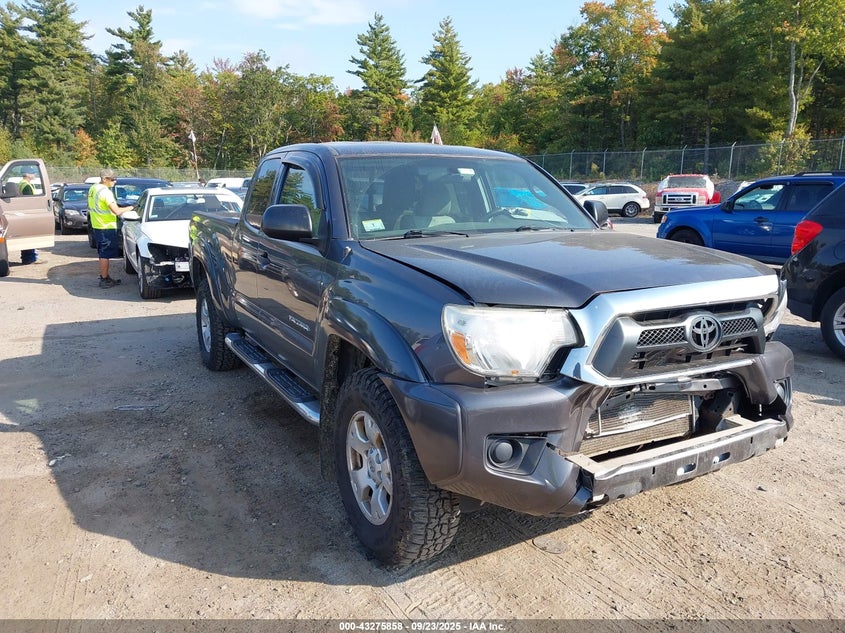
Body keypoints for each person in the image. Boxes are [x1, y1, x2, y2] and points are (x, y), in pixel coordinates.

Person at [88, 168, 133, 288]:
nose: (115, 182)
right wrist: (131, 208)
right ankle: (104, 279)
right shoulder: (105, 192)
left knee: (102, 252)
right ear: (104, 179)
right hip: (105, 226)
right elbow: (117, 211)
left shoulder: (94, 188)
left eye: (115, 179)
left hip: (97, 225)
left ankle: (105, 276)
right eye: (112, 179)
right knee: (105, 254)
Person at [19, 170, 39, 265]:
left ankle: (28, 258)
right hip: (28, 214)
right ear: (27, 174)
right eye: (33, 173)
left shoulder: (22, 183)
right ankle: (30, 259)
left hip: (23, 213)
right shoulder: (26, 185)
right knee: (30, 237)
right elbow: (30, 201)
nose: (34, 175)